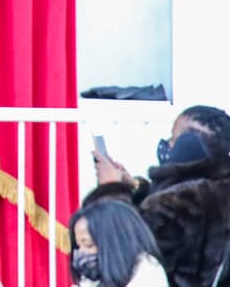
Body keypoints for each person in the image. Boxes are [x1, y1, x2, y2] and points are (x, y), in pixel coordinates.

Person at [88, 104, 230, 286]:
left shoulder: (174, 204)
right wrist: (134, 188)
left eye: (173, 139)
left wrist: (112, 190)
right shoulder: (215, 191)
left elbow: (126, 251)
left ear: (189, 146)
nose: (167, 145)